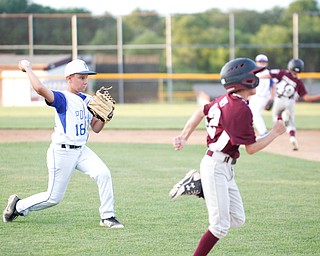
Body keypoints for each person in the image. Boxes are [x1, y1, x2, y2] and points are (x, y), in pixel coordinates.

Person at [170, 58, 286, 255]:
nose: (256, 77)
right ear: (244, 80)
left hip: (223, 166)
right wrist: (274, 133)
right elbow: (251, 149)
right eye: (254, 74)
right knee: (219, 227)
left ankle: (199, 187)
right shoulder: (240, 109)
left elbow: (200, 111)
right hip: (215, 166)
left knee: (237, 219)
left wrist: (184, 136)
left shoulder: (226, 99)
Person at [3, 59, 124, 228]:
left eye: (86, 77)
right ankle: (18, 206)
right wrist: (28, 68)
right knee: (53, 198)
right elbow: (39, 89)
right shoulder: (62, 98)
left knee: (103, 173)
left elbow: (95, 128)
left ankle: (108, 216)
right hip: (62, 152)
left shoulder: (90, 100)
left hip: (81, 150)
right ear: (69, 78)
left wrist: (105, 118)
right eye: (81, 77)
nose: (85, 81)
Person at [260, 58, 320, 150]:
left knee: (276, 118)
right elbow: (306, 98)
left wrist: (258, 76)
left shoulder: (283, 73)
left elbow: (269, 75)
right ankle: (292, 137)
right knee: (291, 123)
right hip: (290, 102)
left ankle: (283, 117)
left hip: (279, 99)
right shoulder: (299, 82)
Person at [249, 54, 274, 137]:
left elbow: (273, 86)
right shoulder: (254, 73)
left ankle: (263, 132)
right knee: (248, 114)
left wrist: (272, 98)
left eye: (263, 62)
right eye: (260, 62)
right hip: (254, 97)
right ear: (256, 63)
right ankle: (249, 131)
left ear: (266, 64)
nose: (261, 63)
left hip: (263, 97)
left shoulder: (268, 74)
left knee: (256, 114)